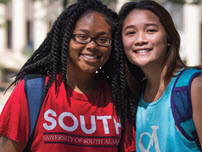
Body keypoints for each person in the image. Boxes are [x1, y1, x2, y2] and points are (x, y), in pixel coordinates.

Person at [0, 0, 135, 151]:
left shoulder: (119, 97)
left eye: (103, 40)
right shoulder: (32, 92)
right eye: (82, 37)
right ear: (65, 39)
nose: (92, 46)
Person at [118, 1, 202, 151]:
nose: (140, 40)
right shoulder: (138, 91)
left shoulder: (196, 87)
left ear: (169, 38)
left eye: (150, 30)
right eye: (130, 32)